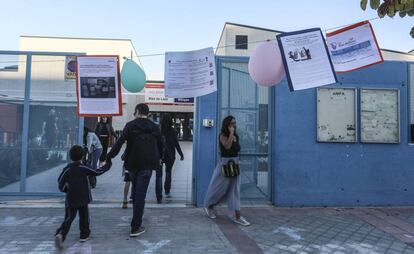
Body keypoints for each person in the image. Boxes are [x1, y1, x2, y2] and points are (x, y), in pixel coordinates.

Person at [107, 103, 164, 237]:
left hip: (132, 164)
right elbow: (161, 144)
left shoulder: (130, 125)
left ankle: (136, 221)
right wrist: (160, 158)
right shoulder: (154, 127)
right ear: (147, 113)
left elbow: (119, 142)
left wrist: (109, 156)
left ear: (137, 111)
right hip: (147, 165)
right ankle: (135, 226)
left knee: (136, 191)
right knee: (140, 196)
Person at [54, 145, 112, 249]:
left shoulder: (67, 169)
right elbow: (97, 172)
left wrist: (65, 190)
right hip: (83, 196)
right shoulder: (83, 168)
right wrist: (107, 165)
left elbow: (60, 182)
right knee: (84, 216)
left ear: (70, 156)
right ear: (83, 156)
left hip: (71, 197)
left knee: (69, 218)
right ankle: (84, 235)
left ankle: (61, 234)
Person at [203, 116, 250, 226]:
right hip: (224, 165)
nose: (234, 125)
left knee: (235, 191)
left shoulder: (236, 136)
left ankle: (237, 215)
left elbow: (236, 150)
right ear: (227, 125)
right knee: (219, 188)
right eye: (232, 123)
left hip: (235, 164)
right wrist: (231, 133)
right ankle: (209, 206)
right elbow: (227, 147)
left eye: (235, 123)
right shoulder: (223, 136)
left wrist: (233, 135)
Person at [160, 113, 184, 198]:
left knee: (159, 174)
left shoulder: (159, 130)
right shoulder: (172, 131)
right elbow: (176, 144)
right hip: (170, 155)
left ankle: (158, 192)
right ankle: (167, 191)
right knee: (168, 172)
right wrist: (181, 154)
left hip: (160, 155)